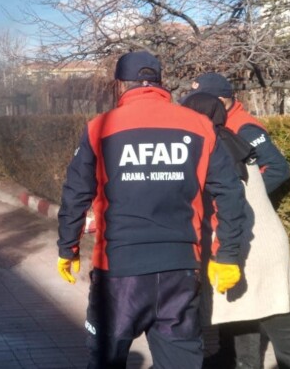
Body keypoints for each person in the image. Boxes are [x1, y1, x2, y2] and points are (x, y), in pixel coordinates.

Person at [56, 51, 246, 368]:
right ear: (160, 83)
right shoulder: (200, 126)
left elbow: (76, 193)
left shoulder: (99, 128)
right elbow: (229, 190)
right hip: (180, 271)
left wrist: (68, 247)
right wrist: (226, 255)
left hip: (118, 274)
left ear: (120, 86)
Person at [183, 92, 290, 369]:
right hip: (252, 247)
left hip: (251, 251)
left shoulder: (212, 148)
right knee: (238, 331)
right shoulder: (234, 143)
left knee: (288, 345)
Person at [188, 73, 290, 195]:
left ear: (220, 101)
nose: (193, 105)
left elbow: (277, 169)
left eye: (200, 100)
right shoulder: (212, 122)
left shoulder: (245, 128)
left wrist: (239, 197)